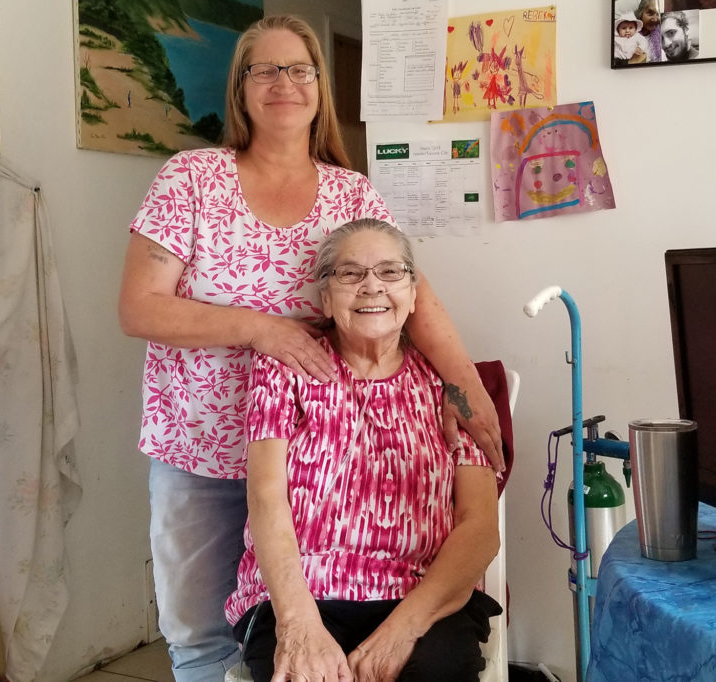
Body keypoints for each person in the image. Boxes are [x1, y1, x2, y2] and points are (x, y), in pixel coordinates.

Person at [117, 14, 505, 681]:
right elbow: (138, 307)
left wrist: (463, 391)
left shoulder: (350, 192)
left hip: (319, 453)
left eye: (299, 69)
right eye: (263, 69)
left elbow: (414, 295)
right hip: (203, 446)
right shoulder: (191, 178)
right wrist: (264, 328)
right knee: (204, 635)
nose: (283, 83)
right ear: (240, 88)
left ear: (320, 88)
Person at [225, 219, 502, 682]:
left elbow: (480, 527)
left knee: (437, 671)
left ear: (415, 295)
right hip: (300, 595)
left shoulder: (452, 388)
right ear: (326, 300)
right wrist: (298, 624)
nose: (372, 284)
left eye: (391, 272)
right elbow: (266, 499)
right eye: (350, 274)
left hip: (420, 596)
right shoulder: (284, 370)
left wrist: (403, 629)